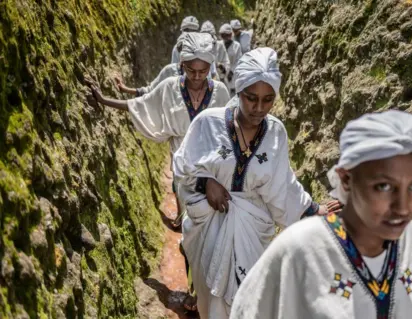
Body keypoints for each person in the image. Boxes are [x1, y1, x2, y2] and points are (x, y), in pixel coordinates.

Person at [173, 47, 339, 319]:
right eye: (251, 98)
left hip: (254, 233)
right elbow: (182, 166)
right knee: (212, 302)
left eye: (268, 100)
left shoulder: (276, 133)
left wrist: (314, 211)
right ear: (238, 91)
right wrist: (205, 183)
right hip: (210, 232)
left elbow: (283, 186)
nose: (259, 108)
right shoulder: (208, 124)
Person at [230, 110, 412, 319]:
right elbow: (249, 311)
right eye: (384, 186)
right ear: (346, 180)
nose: (403, 208)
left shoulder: (408, 236)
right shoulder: (300, 247)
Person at [86, 32, 230, 231]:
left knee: (211, 221)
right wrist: (104, 101)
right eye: (191, 70)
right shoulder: (170, 88)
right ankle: (184, 232)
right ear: (182, 65)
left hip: (212, 167)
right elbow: (141, 104)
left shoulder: (221, 92)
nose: (197, 76)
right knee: (188, 215)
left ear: (210, 67)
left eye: (203, 71)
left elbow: (231, 130)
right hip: (182, 163)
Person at [219, 23, 242, 96]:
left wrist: (231, 72)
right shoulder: (218, 45)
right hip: (220, 75)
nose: (225, 37)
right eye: (223, 35)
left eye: (227, 35)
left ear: (230, 35)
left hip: (232, 76)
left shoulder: (236, 46)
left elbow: (238, 61)